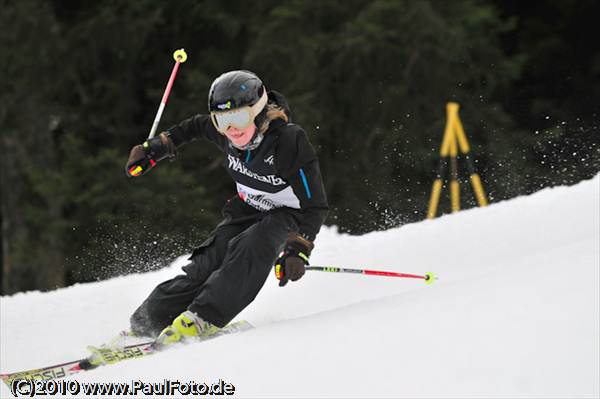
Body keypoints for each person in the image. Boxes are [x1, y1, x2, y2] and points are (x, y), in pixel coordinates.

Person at [125, 70, 328, 347]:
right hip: (248, 207)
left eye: (239, 118)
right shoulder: (225, 133)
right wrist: (158, 147)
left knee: (251, 245)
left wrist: (299, 247)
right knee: (208, 261)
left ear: (257, 112)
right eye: (223, 120)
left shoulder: (288, 142)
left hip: (289, 213)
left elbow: (315, 204)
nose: (231, 129)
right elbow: (195, 126)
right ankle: (147, 323)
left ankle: (202, 317)